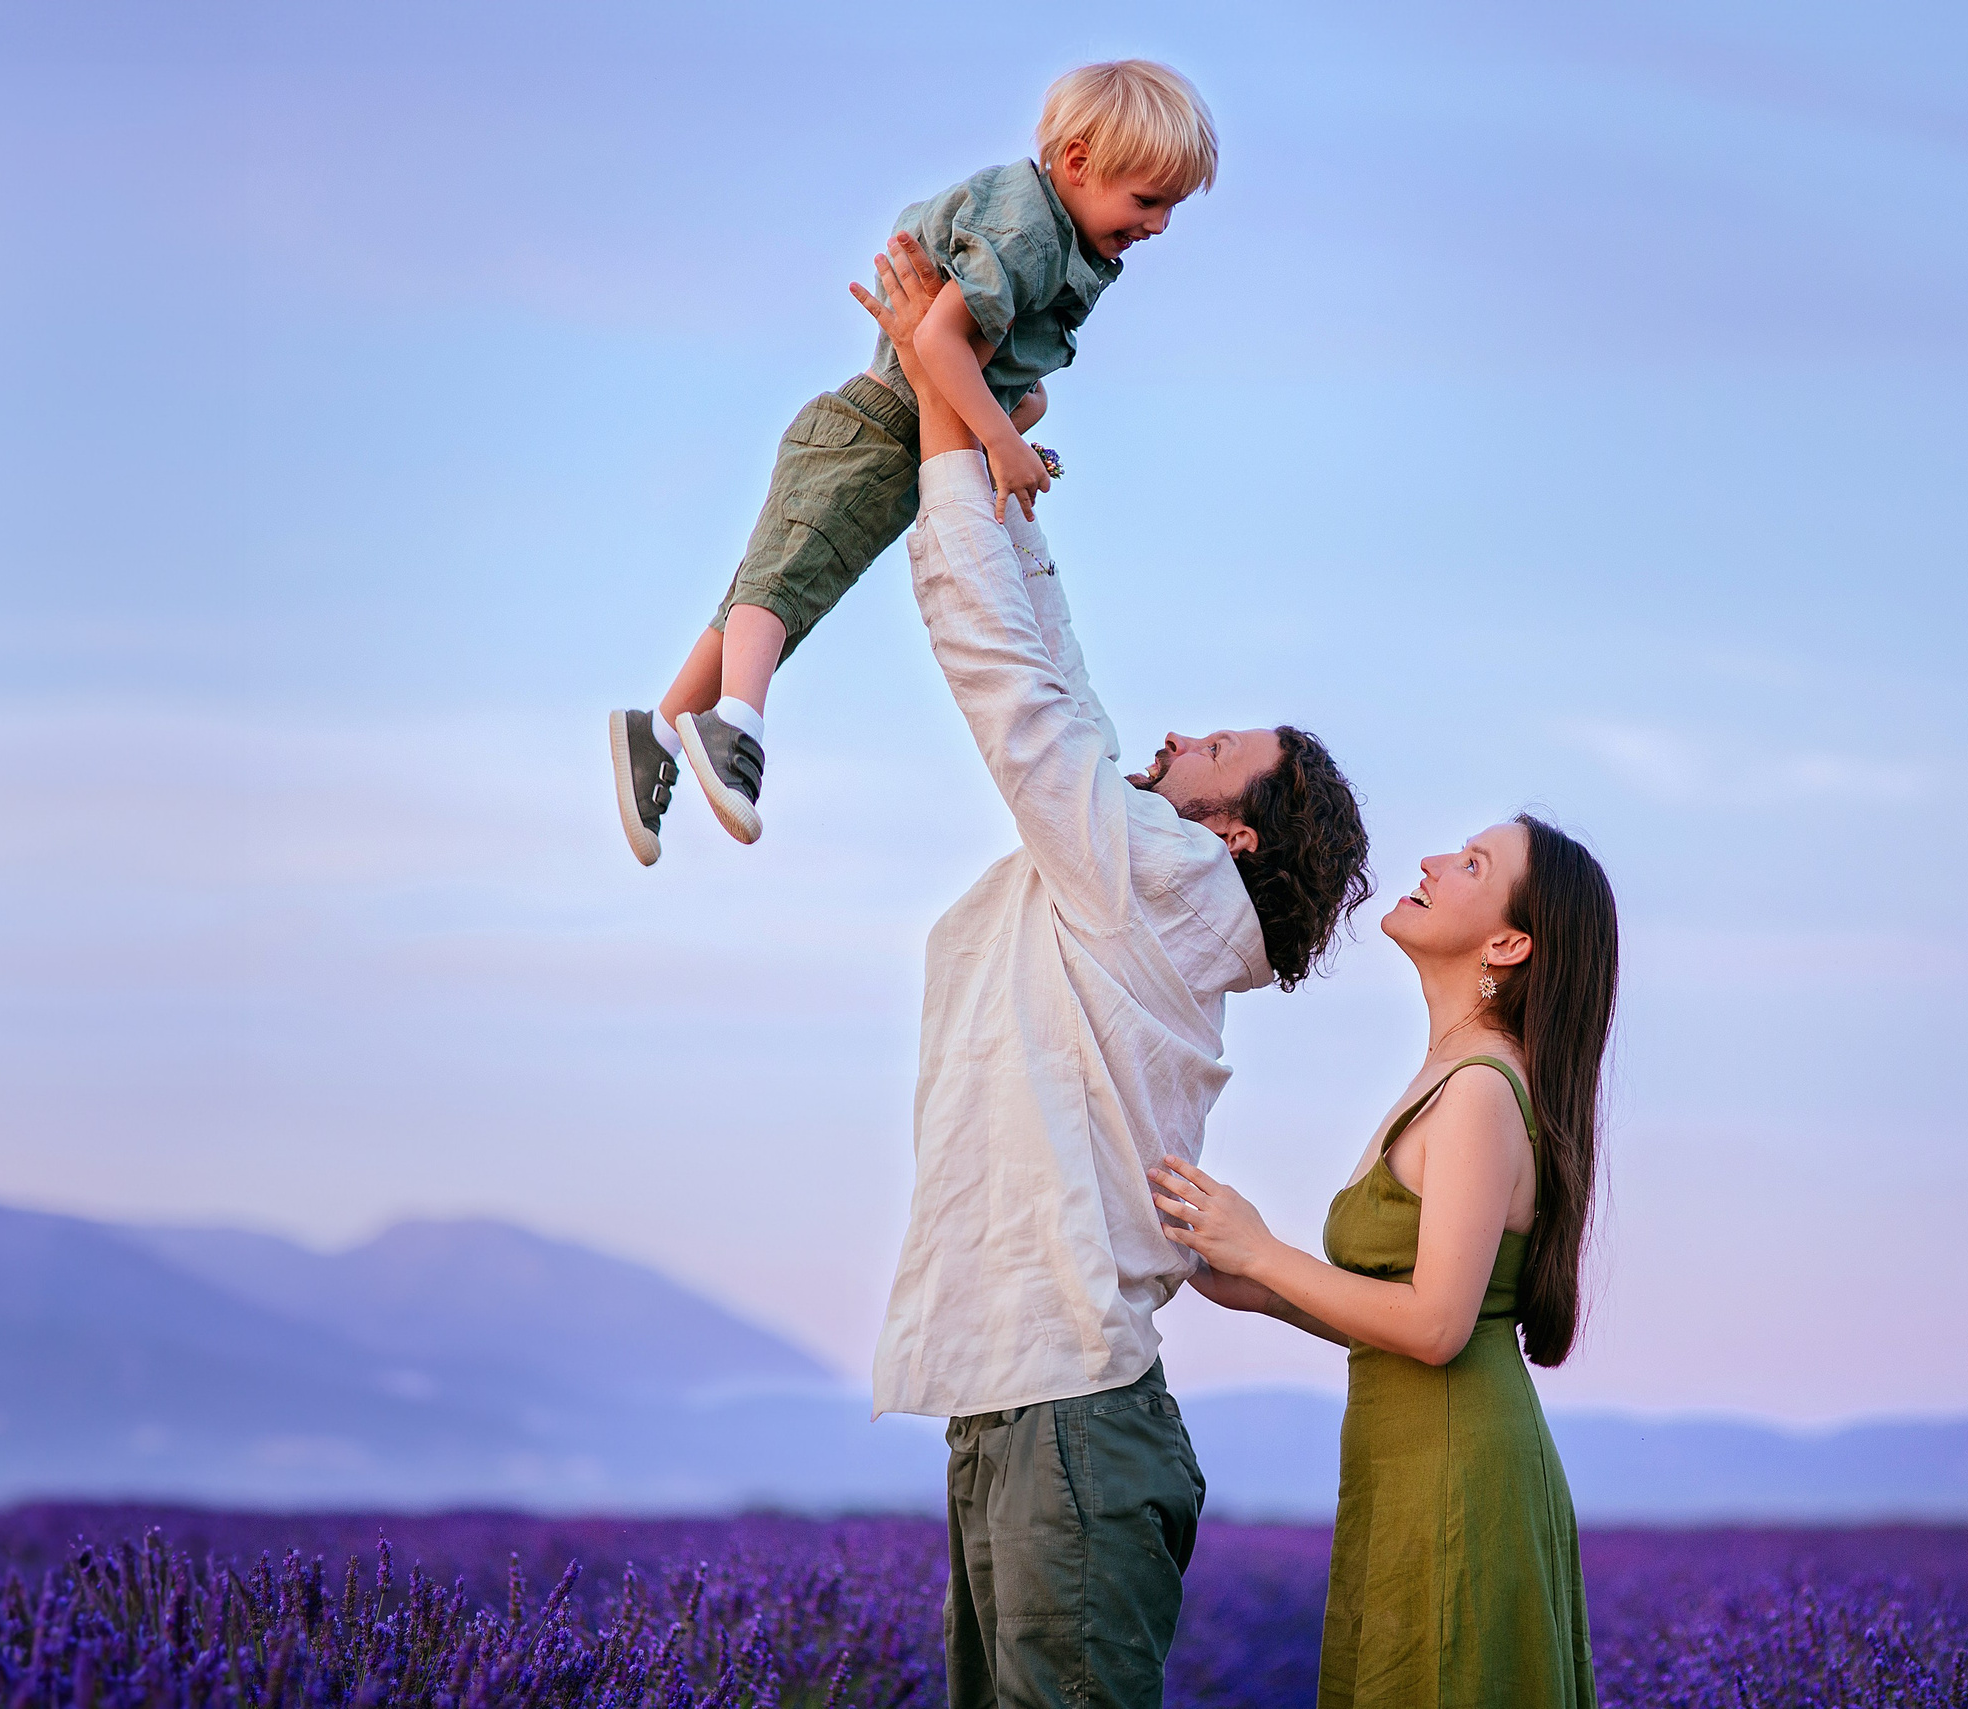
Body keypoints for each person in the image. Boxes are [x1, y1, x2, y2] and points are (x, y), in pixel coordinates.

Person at [856, 238, 1373, 1709]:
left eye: (1213, 752)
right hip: (1033, 1407)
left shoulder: (1170, 883)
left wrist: (946, 411)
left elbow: (1017, 698)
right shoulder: (1156, 879)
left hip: (1068, 1414)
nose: (1179, 737)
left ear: (1234, 828)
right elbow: (1063, 683)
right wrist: (965, 409)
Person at [608, 60, 1219, 864]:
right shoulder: (1028, 233)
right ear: (1077, 162)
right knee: (782, 584)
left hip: (901, 448)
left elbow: (993, 371)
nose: (1160, 225)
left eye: (1170, 205)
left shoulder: (1067, 248)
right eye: (1148, 200)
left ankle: (653, 733)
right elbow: (934, 338)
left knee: (779, 596)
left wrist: (1011, 421)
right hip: (869, 430)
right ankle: (735, 723)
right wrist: (999, 441)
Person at [1150, 817, 1619, 1709]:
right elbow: (1398, 1308)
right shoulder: (1450, 1073)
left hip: (1458, 1472)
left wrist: (1270, 1252)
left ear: (1509, 942)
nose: (1434, 860)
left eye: (1472, 863)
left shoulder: (1480, 1088)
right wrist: (1254, 1284)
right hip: (1410, 1464)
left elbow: (1439, 1326)